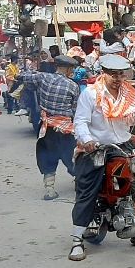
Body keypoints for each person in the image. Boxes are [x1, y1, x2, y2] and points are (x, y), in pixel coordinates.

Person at [68, 53, 135, 261]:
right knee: (87, 189)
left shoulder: (129, 94)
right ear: (103, 73)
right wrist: (87, 140)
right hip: (96, 146)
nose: (117, 78)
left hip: (122, 144)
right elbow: (80, 122)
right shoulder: (90, 94)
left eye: (120, 74)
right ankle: (77, 239)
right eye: (112, 74)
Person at [17, 55, 81, 200]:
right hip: (65, 128)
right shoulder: (73, 86)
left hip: (46, 127)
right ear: (69, 69)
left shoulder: (44, 78)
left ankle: (49, 190)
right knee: (72, 157)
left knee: (47, 158)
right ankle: (80, 184)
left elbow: (22, 76)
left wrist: (30, 72)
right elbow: (75, 109)